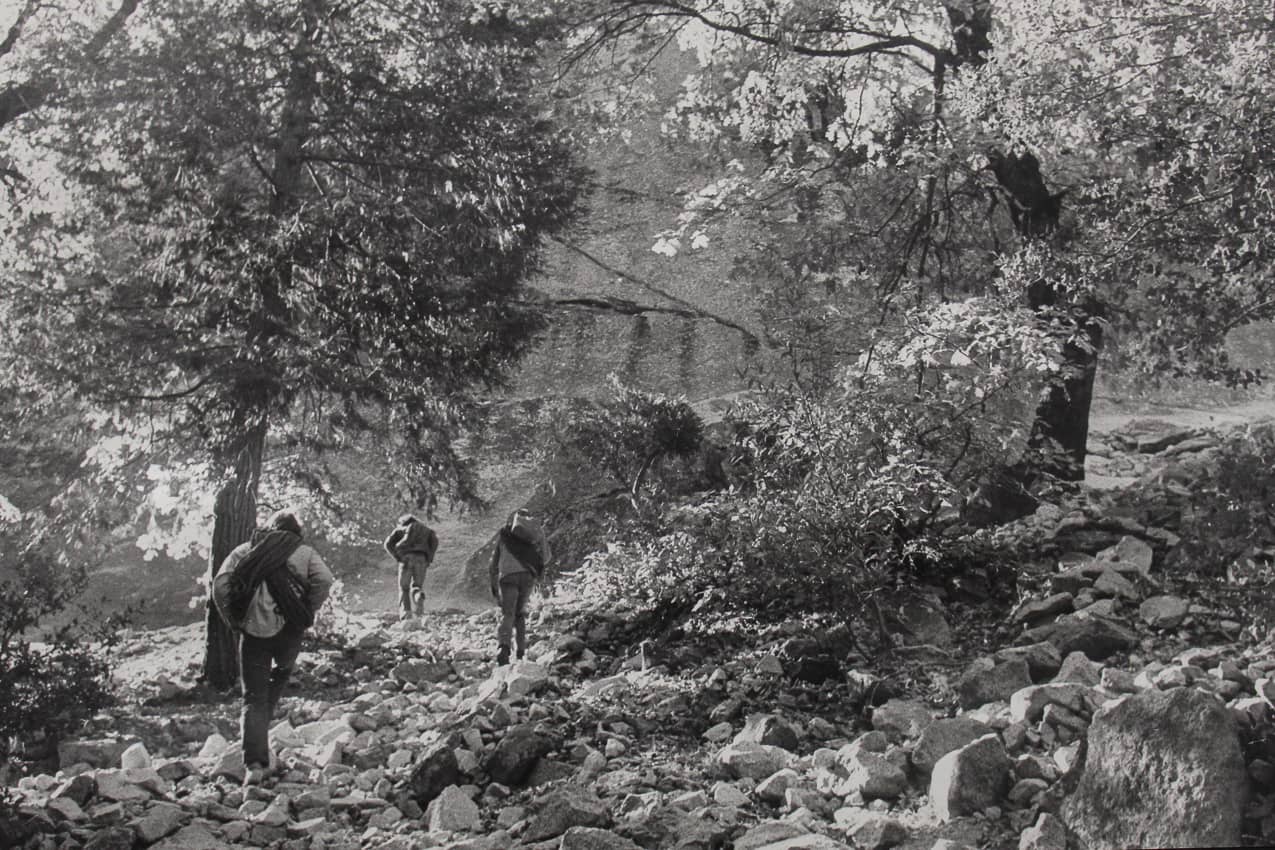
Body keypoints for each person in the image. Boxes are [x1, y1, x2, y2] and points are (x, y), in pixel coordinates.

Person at [212, 509, 333, 786]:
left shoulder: (246, 550)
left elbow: (220, 585)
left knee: (253, 697)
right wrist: (305, 609)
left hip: (253, 632)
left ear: (271, 528)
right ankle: (261, 737)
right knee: (277, 681)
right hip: (289, 630)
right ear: (295, 531)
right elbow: (325, 580)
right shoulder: (304, 552)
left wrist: (233, 618)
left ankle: (254, 764)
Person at [488, 508, 551, 666]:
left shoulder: (504, 535)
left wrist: (493, 584)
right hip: (528, 576)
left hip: (508, 577)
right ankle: (521, 652)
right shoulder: (534, 535)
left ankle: (503, 647)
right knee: (520, 614)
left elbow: (493, 564)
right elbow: (546, 557)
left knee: (508, 613)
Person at [383, 514, 439, 621]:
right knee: (417, 586)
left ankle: (406, 614)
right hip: (422, 558)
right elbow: (435, 542)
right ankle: (419, 597)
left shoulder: (401, 529)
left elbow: (387, 544)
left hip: (406, 558)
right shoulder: (428, 530)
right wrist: (429, 559)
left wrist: (397, 556)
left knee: (404, 588)